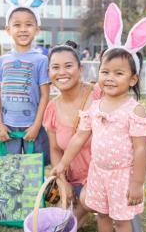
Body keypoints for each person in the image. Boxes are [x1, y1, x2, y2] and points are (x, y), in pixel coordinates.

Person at [52, 3, 146, 232]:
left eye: (118, 73)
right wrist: (62, 164)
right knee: (102, 215)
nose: (110, 78)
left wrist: (137, 184)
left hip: (122, 176)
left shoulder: (134, 110)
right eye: (105, 72)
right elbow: (79, 138)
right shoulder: (95, 106)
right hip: (97, 173)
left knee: (122, 219)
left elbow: (140, 150)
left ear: (132, 79)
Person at [0, 0, 51, 164]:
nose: (23, 29)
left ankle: (37, 195)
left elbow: (44, 96)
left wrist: (36, 126)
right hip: (8, 128)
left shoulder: (41, 60)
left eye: (29, 24)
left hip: (32, 127)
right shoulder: (2, 61)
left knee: (35, 168)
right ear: (8, 29)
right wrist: (0, 125)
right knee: (10, 169)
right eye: (17, 25)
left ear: (37, 29)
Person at [43, 41, 100, 228]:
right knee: (66, 217)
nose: (62, 72)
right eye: (55, 67)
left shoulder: (97, 96)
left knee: (76, 212)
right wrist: (63, 181)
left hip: (102, 173)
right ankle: (80, 206)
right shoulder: (51, 108)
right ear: (49, 72)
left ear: (80, 68)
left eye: (68, 66)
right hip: (73, 176)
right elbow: (54, 149)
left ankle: (84, 205)